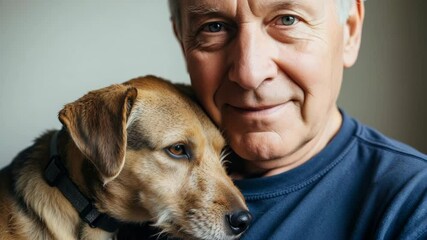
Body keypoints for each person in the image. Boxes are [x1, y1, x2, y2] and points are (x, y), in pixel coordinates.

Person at [119, 0, 427, 239]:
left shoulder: (413, 206)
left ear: (350, 30)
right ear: (182, 40)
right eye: (213, 27)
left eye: (288, 19)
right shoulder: (117, 185)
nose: (249, 73)